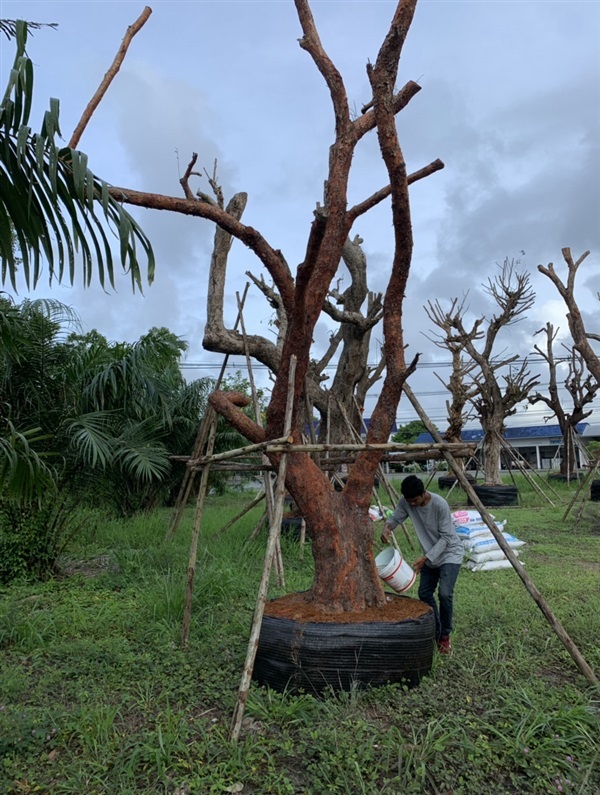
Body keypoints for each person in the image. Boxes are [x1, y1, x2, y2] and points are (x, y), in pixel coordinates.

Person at [381, 474, 463, 654]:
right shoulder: (406, 501)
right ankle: (436, 627)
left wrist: (425, 559)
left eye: (415, 500)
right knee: (424, 593)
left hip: (450, 553)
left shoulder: (439, 504)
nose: (412, 504)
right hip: (430, 554)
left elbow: (447, 538)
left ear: (424, 493)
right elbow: (396, 517)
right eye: (409, 501)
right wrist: (387, 528)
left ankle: (445, 635)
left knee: (445, 594)